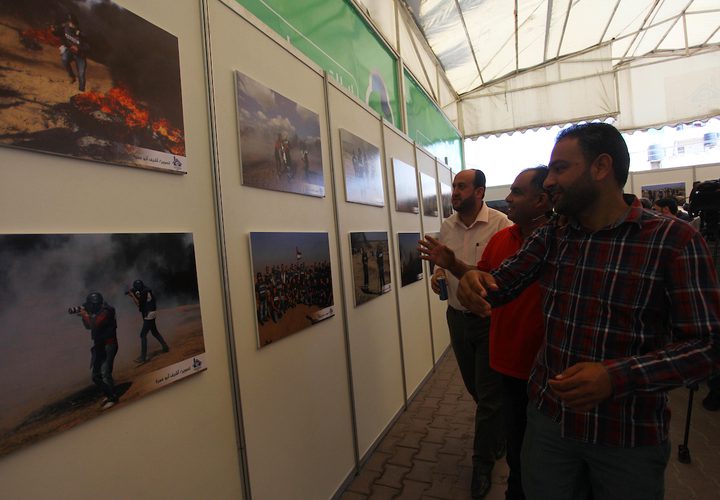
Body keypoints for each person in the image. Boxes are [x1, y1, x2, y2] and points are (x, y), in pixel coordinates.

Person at [454, 123, 720, 500]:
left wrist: (617, 377)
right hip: (551, 421)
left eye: (561, 168)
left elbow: (707, 347)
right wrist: (474, 280)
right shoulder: (555, 234)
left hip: (626, 434)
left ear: (601, 167)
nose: (549, 182)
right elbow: (500, 283)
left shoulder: (674, 240)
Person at [419, 168, 512, 498]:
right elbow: (442, 261)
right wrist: (438, 273)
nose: (455, 192)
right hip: (457, 318)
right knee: (475, 388)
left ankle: (482, 465)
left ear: (480, 192)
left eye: (462, 186)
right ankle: (497, 433)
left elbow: (502, 274)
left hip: (489, 319)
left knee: (488, 396)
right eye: (454, 186)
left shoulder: (502, 225)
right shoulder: (447, 225)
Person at [475, 166, 552, 500]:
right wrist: (451, 269)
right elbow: (485, 282)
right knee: (518, 445)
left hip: (548, 369)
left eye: (518, 192)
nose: (508, 198)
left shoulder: (558, 241)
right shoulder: (502, 239)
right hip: (506, 362)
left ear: (541, 200)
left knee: (546, 454)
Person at [76, 292, 119, 410]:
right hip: (99, 345)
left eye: (90, 305)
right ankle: (108, 393)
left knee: (105, 372)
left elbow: (95, 324)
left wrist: (85, 314)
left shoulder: (107, 311)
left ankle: (112, 397)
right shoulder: (98, 311)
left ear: (94, 304)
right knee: (96, 375)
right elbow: (88, 326)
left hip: (109, 345)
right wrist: (84, 316)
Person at [127, 279, 169, 364]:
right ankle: (165, 347)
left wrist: (132, 296)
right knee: (154, 332)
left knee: (143, 335)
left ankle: (143, 357)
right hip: (151, 312)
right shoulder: (146, 290)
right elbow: (140, 294)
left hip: (149, 314)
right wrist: (133, 292)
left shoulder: (144, 293)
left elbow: (138, 303)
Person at [53, 13, 87, 92]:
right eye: (70, 22)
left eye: (72, 23)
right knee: (64, 59)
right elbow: (57, 32)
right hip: (70, 51)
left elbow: (88, 47)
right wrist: (54, 30)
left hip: (80, 55)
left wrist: (79, 48)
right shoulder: (65, 27)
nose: (70, 24)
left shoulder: (82, 33)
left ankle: (81, 91)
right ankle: (71, 76)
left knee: (81, 74)